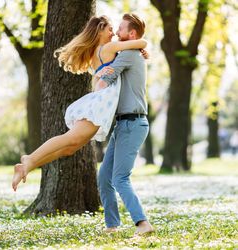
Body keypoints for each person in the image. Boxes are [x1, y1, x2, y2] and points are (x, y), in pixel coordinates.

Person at [11, 15, 147, 192]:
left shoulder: (96, 52)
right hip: (101, 105)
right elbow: (142, 43)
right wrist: (141, 49)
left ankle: (28, 166)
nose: (113, 33)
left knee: (70, 148)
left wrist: (100, 76)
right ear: (99, 30)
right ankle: (29, 159)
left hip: (100, 102)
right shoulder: (110, 47)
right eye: (110, 29)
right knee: (71, 139)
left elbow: (99, 79)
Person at [97, 13, 154, 235]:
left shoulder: (129, 53)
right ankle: (112, 226)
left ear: (131, 34)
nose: (116, 33)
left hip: (133, 123)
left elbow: (107, 78)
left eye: (120, 29)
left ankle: (143, 223)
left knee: (120, 178)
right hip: (123, 125)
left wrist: (97, 82)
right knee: (104, 177)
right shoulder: (132, 51)